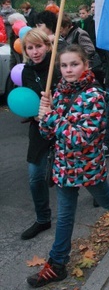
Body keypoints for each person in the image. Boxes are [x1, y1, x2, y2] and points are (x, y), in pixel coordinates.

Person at [27, 44, 109, 288]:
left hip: (88, 166)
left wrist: (52, 118)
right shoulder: (58, 92)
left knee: (108, 200)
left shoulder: (94, 96)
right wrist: (43, 115)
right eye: (64, 65)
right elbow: (48, 134)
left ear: (86, 65)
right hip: (64, 167)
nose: (69, 69)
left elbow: (81, 138)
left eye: (74, 64)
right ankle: (57, 264)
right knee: (65, 215)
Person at [20, 28, 59, 240]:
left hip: (61, 127)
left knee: (75, 171)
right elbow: (24, 99)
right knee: (36, 177)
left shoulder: (59, 67)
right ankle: (43, 219)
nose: (35, 52)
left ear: (48, 46)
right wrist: (32, 114)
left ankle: (99, 193)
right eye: (30, 48)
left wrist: (54, 107)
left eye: (39, 46)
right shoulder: (26, 71)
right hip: (38, 130)